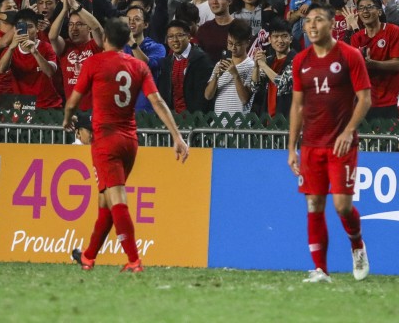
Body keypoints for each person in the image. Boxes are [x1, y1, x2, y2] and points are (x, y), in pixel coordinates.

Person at [62, 17, 189, 272]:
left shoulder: (94, 63)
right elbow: (157, 101)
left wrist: (67, 119)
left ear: (104, 38)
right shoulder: (139, 66)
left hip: (105, 140)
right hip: (130, 140)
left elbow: (73, 101)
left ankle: (134, 260)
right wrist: (177, 136)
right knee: (105, 201)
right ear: (126, 40)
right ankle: (88, 256)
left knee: (116, 199)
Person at [287, 3, 372, 283]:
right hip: (311, 145)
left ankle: (357, 244)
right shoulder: (301, 60)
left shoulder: (349, 55)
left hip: (340, 145)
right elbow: (297, 106)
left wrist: (348, 131)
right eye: (308, 21)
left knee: (342, 207)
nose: (312, 25)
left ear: (332, 24)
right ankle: (320, 270)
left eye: (319, 20)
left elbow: (365, 98)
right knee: (313, 204)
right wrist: (292, 148)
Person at [348, 0, 399, 120]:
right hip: (369, 101)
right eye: (361, 8)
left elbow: (398, 64)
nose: (365, 11)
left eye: (369, 7)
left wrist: (372, 64)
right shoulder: (356, 38)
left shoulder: (393, 31)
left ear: (379, 11)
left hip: (394, 98)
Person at [157, 19, 215, 114]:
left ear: (189, 37)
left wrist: (197, 118)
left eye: (179, 35)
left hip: (195, 117)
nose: (175, 40)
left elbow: (204, 95)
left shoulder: (201, 60)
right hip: (173, 116)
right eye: (170, 37)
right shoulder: (166, 63)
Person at [204, 19, 256, 114]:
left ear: (248, 43)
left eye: (238, 44)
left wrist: (235, 75)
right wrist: (216, 77)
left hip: (240, 121)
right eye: (230, 43)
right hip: (219, 121)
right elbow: (208, 96)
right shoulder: (220, 64)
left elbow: (245, 100)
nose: (233, 48)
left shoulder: (252, 66)